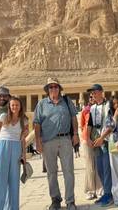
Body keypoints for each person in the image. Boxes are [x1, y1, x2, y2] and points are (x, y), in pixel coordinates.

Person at [33, 78, 79, 210]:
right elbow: (36, 123)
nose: (53, 89)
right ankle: (55, 199)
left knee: (68, 171)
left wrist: (75, 134)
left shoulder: (66, 101)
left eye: (56, 87)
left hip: (65, 139)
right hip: (48, 141)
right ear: (47, 89)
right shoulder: (41, 104)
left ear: (59, 88)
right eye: (51, 87)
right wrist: (38, 141)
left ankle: (70, 201)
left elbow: (73, 117)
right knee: (51, 172)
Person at [0, 97, 29, 210]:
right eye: (12, 105)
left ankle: (12, 207)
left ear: (20, 106)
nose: (14, 107)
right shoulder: (3, 117)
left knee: (14, 179)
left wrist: (24, 155)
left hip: (16, 147)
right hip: (3, 146)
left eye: (17, 105)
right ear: (9, 106)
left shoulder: (24, 120)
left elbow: (23, 139)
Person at [86, 84, 113, 207]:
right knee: (100, 168)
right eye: (92, 93)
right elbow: (90, 124)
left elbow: (112, 123)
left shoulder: (109, 105)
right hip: (95, 141)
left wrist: (102, 138)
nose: (93, 94)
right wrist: (87, 138)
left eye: (95, 92)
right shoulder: (92, 108)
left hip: (106, 140)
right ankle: (105, 192)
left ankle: (109, 194)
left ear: (101, 92)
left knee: (107, 168)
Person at [79, 93, 102, 200]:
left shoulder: (100, 109)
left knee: (97, 165)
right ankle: (89, 190)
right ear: (89, 99)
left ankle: (99, 189)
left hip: (97, 139)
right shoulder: (85, 110)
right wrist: (86, 138)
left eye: (94, 96)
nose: (93, 98)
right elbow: (82, 125)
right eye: (91, 97)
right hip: (87, 140)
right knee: (89, 165)